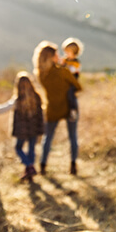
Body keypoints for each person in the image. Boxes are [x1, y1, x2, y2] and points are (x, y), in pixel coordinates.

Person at [33, 41, 82, 176]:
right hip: (69, 106)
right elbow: (78, 86)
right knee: (73, 136)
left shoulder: (41, 75)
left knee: (47, 137)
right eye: (56, 54)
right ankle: (73, 165)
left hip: (52, 107)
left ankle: (42, 165)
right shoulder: (63, 72)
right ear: (52, 57)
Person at [0, 72, 44, 181]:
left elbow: (4, 108)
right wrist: (41, 128)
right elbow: (41, 114)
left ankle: (29, 166)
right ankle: (29, 170)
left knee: (18, 148)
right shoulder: (37, 97)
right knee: (31, 149)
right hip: (34, 129)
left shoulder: (18, 100)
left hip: (22, 130)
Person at [60, 37, 84, 122]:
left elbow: (71, 71)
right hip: (64, 82)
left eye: (68, 52)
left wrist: (64, 66)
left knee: (70, 93)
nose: (66, 54)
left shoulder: (76, 63)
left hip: (72, 83)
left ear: (74, 52)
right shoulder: (65, 60)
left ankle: (73, 110)